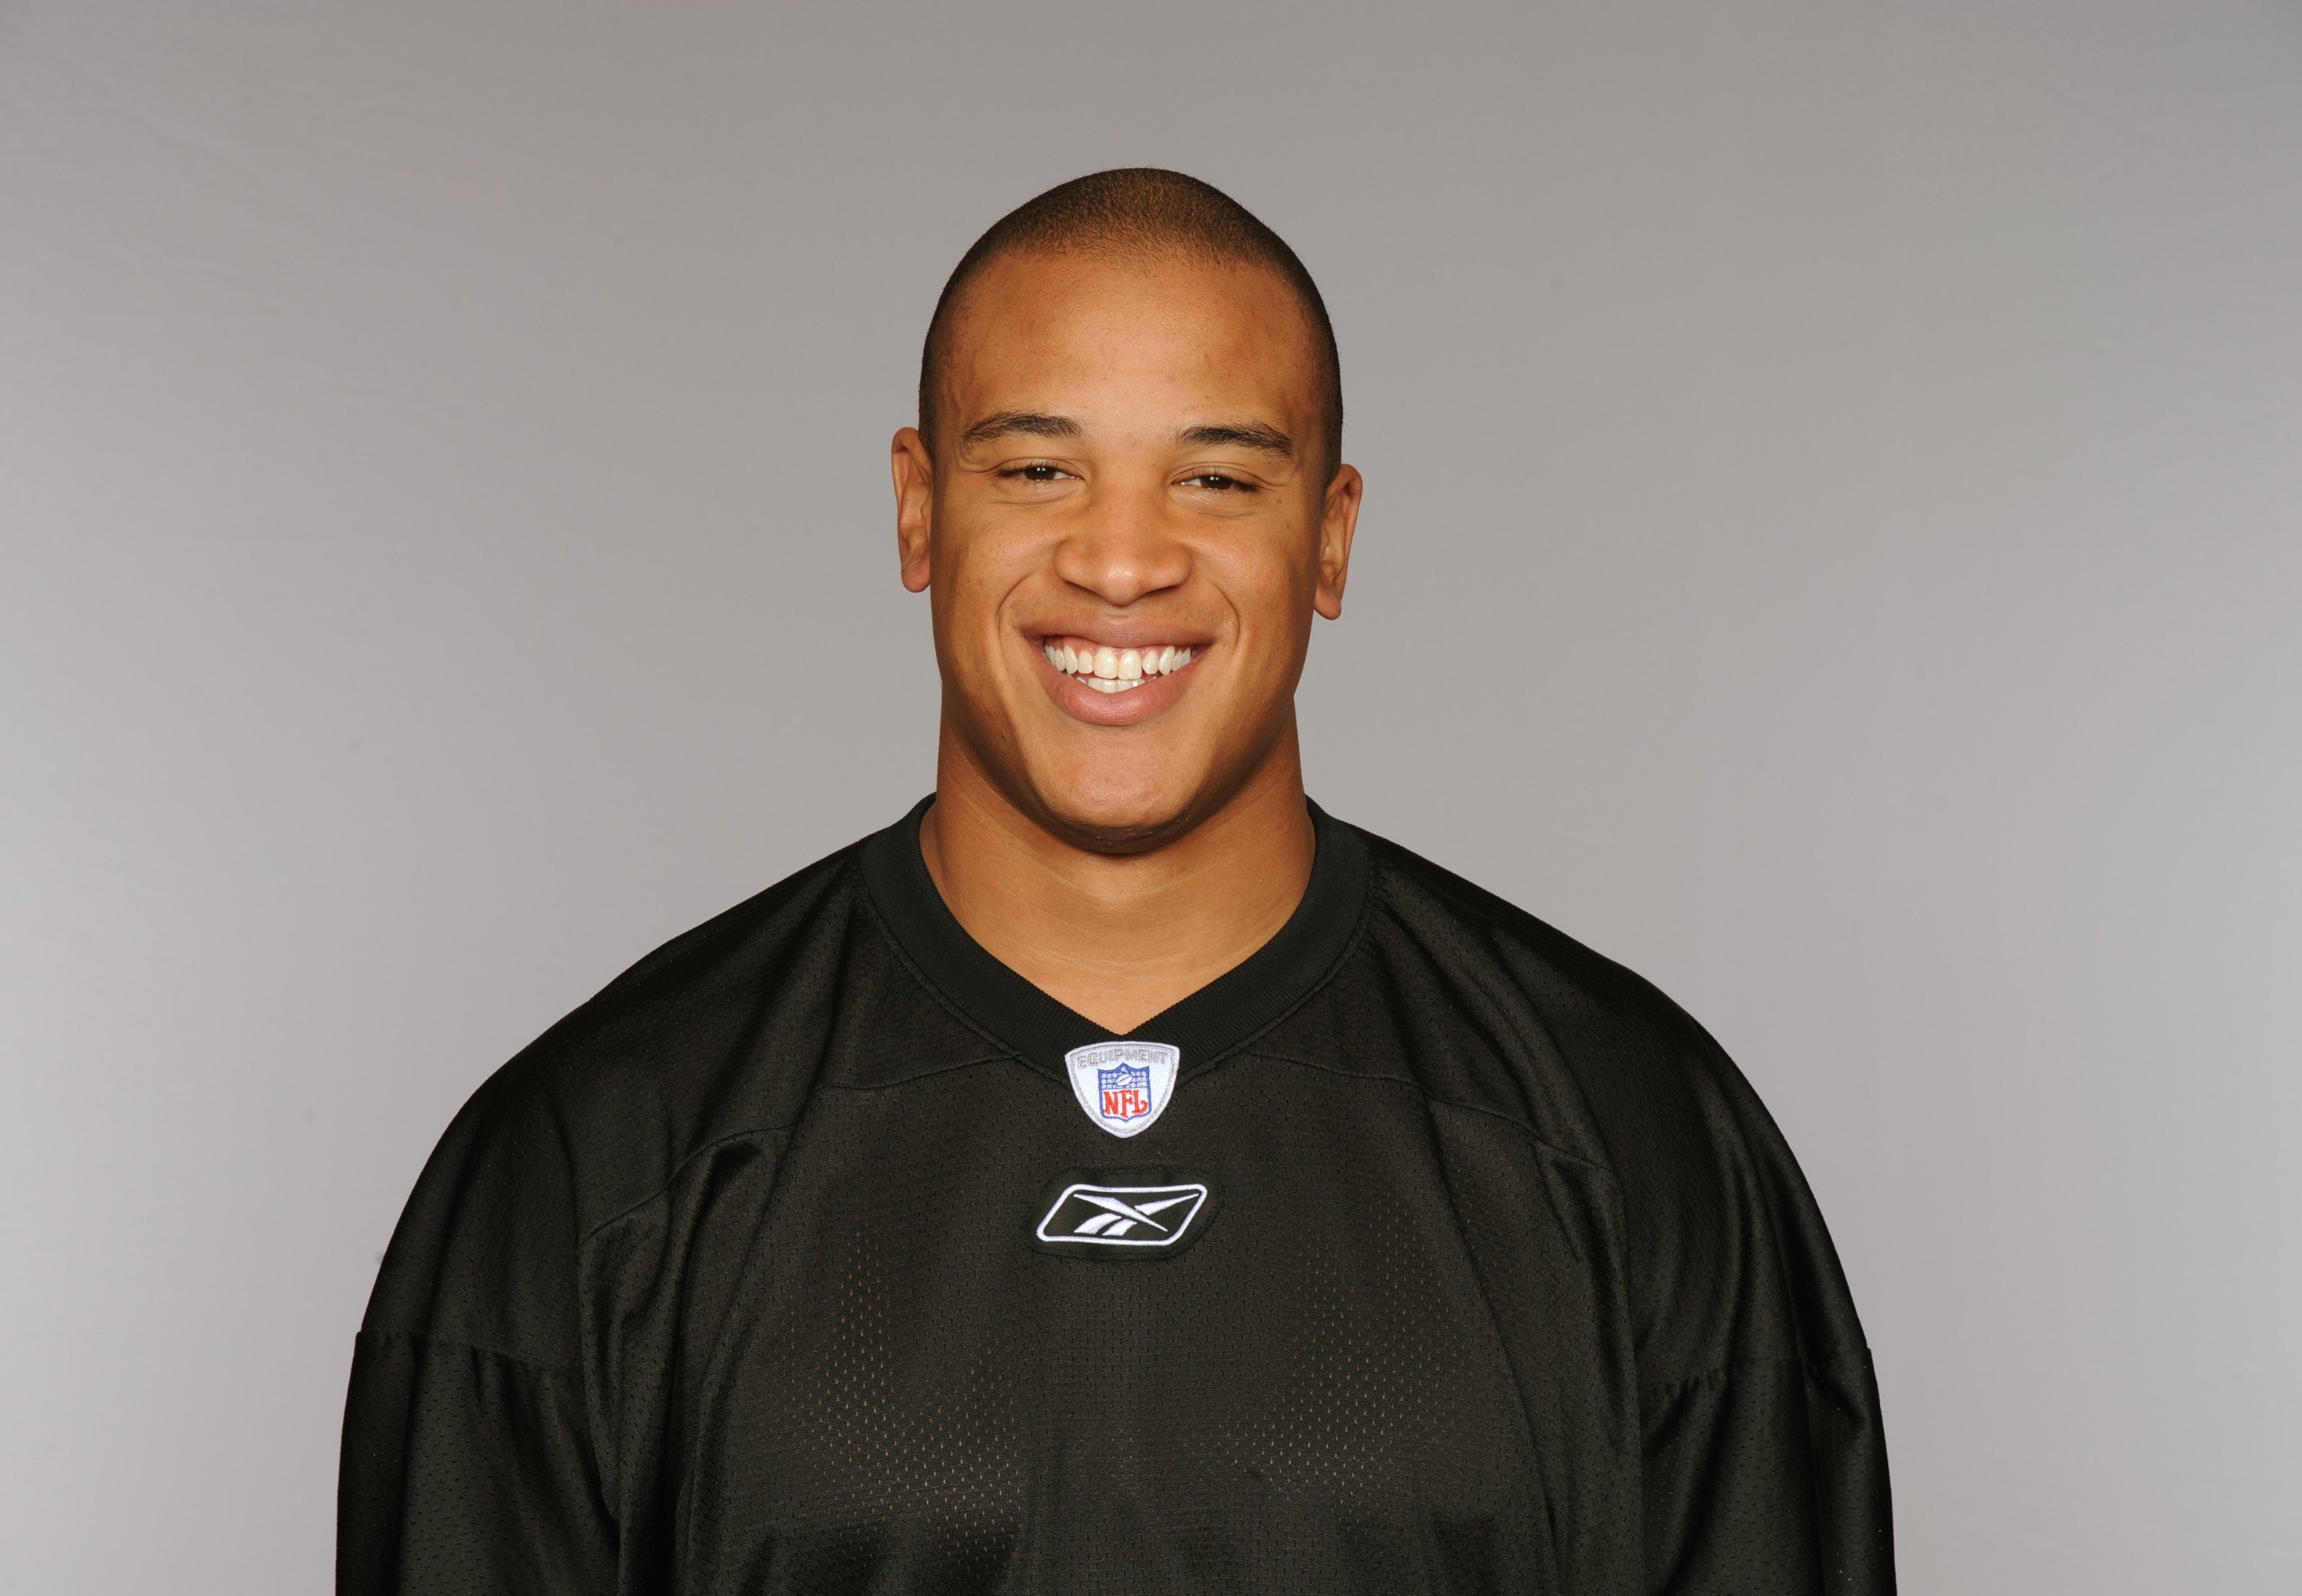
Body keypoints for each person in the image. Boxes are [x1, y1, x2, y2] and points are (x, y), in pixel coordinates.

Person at [337, 168, 1894, 1595]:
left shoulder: (1634, 1144)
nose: (1123, 559)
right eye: (1036, 467)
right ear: (918, 508)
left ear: (1334, 536)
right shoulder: (596, 1163)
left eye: (1218, 480)